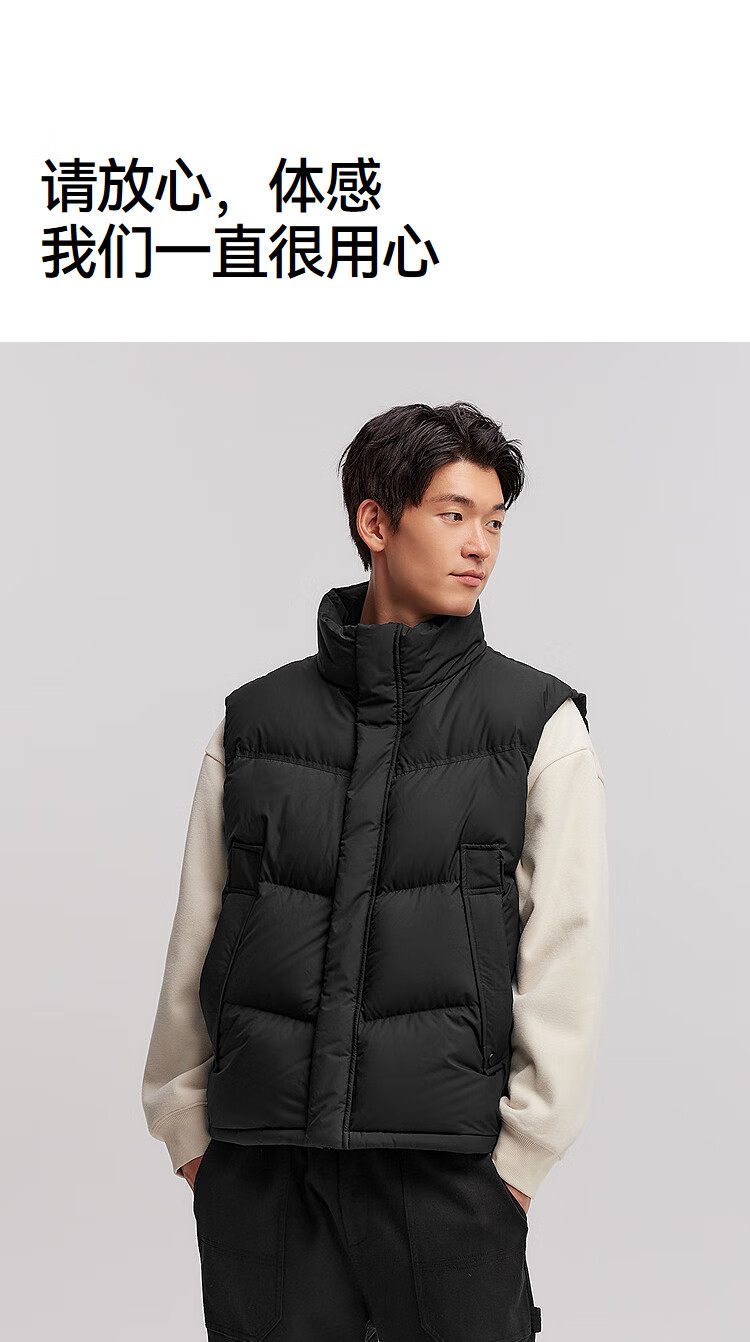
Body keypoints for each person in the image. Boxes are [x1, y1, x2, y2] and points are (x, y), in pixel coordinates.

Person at [142, 401, 609, 1342]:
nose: (479, 545)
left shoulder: (535, 725)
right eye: (453, 513)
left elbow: (567, 949)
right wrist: (188, 1127)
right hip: (264, 1170)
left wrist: (520, 1160)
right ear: (375, 522)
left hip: (445, 1173)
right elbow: (202, 930)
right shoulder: (256, 722)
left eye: (495, 521)